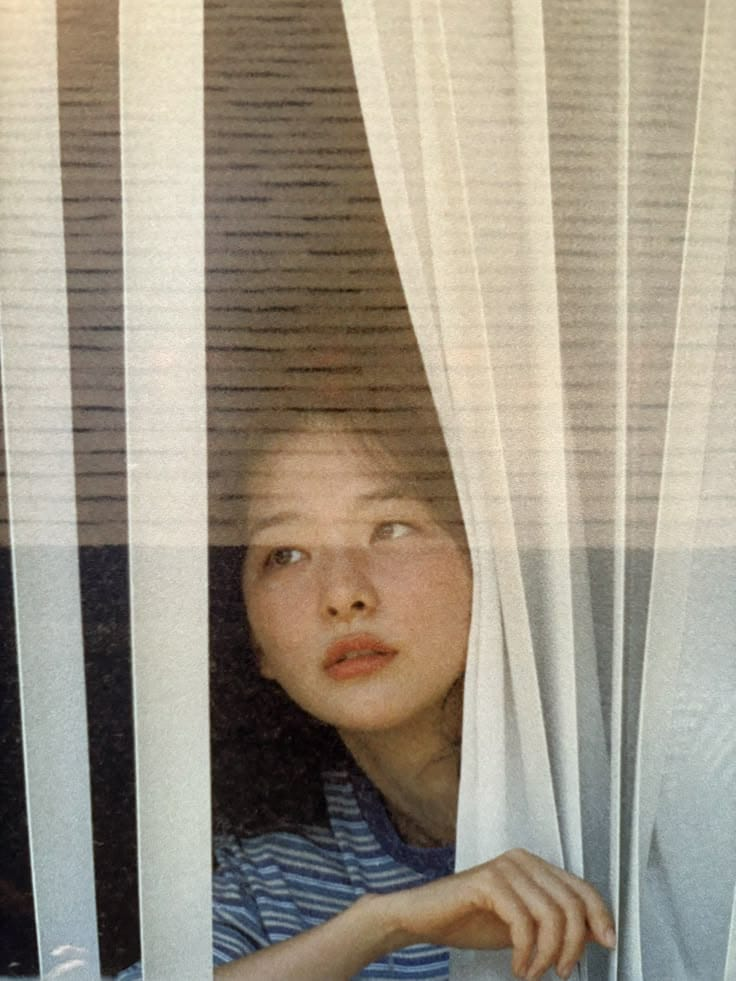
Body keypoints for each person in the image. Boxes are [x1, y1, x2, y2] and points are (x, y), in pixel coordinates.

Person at [119, 412, 615, 981]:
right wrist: (381, 925)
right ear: (254, 639)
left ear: (486, 560)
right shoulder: (277, 868)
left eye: (391, 529)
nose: (342, 594)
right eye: (285, 554)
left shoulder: (624, 798)